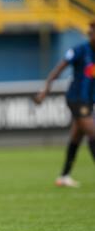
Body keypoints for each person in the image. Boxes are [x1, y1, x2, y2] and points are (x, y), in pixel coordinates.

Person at [34, 20, 95, 187]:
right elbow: (58, 69)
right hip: (76, 99)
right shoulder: (80, 51)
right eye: (90, 32)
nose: (90, 34)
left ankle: (64, 176)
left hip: (88, 101)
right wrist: (45, 90)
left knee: (77, 136)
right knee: (92, 132)